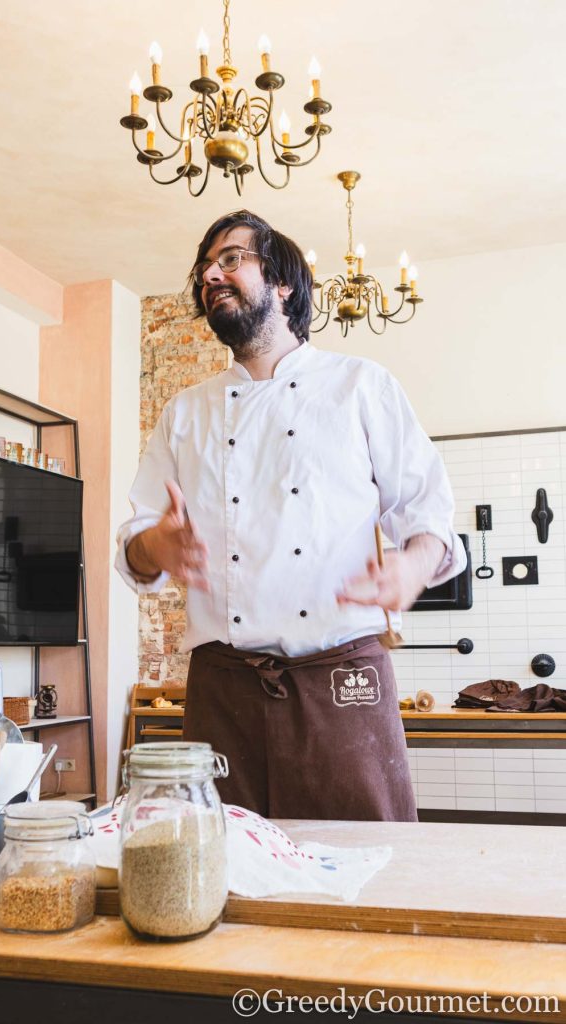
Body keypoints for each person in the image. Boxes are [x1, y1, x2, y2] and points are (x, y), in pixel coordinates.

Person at [115, 210, 466, 821]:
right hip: (222, 687)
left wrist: (413, 565)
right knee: (221, 877)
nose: (212, 277)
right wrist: (157, 548)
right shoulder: (186, 413)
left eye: (231, 260)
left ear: (281, 283)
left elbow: (428, 510)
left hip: (340, 677)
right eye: (205, 270)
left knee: (369, 863)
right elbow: (135, 541)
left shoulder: (360, 386)